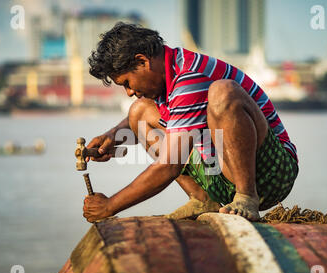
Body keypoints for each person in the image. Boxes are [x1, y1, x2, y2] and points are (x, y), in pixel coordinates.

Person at [83, 22, 298, 223]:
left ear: (143, 62)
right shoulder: (168, 76)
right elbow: (144, 121)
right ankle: (203, 199)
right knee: (139, 112)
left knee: (222, 92)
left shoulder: (191, 76)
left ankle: (246, 196)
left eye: (127, 83)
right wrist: (113, 136)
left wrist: (110, 205)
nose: (129, 92)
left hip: (271, 175)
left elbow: (170, 165)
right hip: (222, 174)